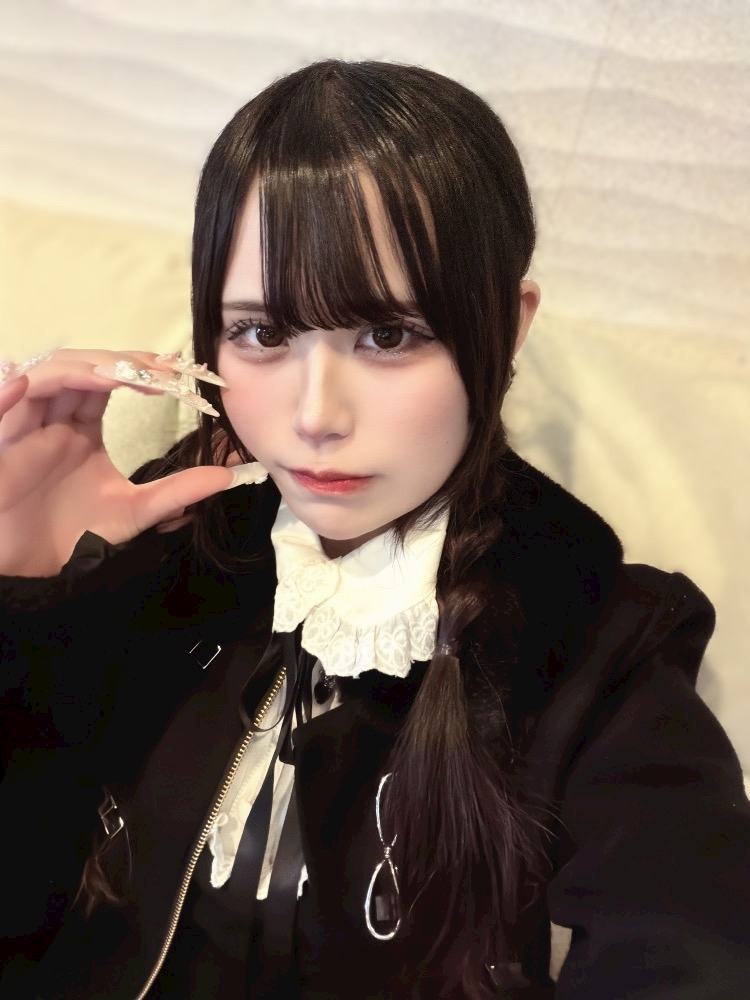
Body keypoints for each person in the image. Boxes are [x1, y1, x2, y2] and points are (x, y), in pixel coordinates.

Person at [0, 59, 748, 1000]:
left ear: (507, 327)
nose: (316, 415)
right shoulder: (163, 544)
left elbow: (691, 944)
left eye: (388, 335)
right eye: (263, 333)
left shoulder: (594, 637)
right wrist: (29, 601)